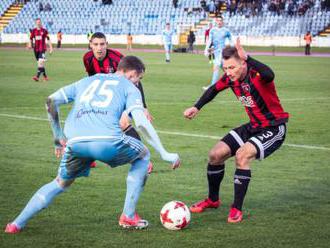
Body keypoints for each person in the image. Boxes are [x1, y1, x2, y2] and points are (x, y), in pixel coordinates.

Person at [5, 56, 181, 234]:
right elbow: (142, 123)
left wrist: (58, 138)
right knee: (143, 156)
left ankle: (16, 224)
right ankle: (128, 215)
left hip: (75, 143)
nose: (137, 83)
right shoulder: (129, 87)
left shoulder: (87, 80)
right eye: (139, 79)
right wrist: (165, 153)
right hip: (107, 142)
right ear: (131, 74)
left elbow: (50, 101)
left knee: (60, 183)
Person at [183, 38, 289, 223]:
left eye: (232, 67)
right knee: (215, 155)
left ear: (243, 63)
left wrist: (248, 57)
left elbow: (270, 74)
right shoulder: (230, 80)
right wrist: (196, 107)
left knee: (242, 156)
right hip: (253, 126)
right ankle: (213, 200)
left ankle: (236, 208)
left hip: (273, 128)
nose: (228, 72)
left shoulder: (258, 75)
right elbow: (213, 90)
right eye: (225, 68)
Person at [83, 32, 154, 173]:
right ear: (90, 45)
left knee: (123, 123)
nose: (99, 48)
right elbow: (93, 79)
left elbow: (136, 81)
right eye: (96, 44)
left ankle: (143, 159)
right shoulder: (87, 58)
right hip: (106, 95)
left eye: (102, 44)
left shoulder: (117, 59)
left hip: (125, 94)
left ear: (107, 44)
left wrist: (143, 107)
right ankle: (89, 157)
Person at [203, 17, 233, 90]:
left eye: (220, 21)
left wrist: (232, 49)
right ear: (216, 22)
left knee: (216, 67)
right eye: (218, 21)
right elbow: (209, 40)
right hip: (216, 52)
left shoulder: (226, 31)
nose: (219, 22)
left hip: (222, 52)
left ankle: (212, 87)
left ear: (222, 22)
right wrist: (206, 49)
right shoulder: (212, 30)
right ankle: (234, 82)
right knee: (225, 68)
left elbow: (231, 40)